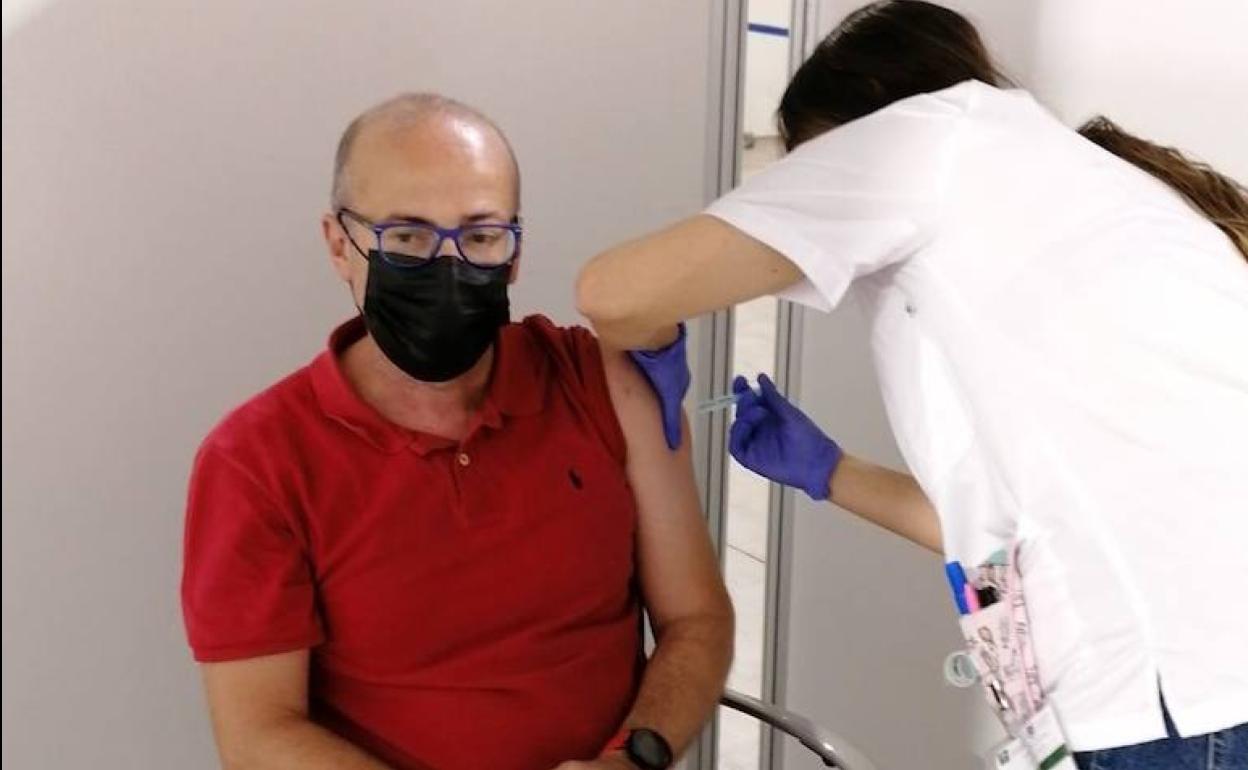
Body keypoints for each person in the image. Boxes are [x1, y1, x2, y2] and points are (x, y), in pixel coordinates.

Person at [576, 2, 1248, 767]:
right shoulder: (1080, 190)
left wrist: (653, 343)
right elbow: (1005, 530)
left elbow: (612, 292)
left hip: (1187, 705)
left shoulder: (924, 140)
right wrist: (828, 470)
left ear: (858, 123)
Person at [181, 93, 733, 770]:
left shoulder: (599, 385)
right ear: (339, 245)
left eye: (480, 235)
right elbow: (258, 734)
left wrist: (634, 759)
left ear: (516, 251)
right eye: (407, 237)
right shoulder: (256, 460)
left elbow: (697, 620)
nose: (447, 267)